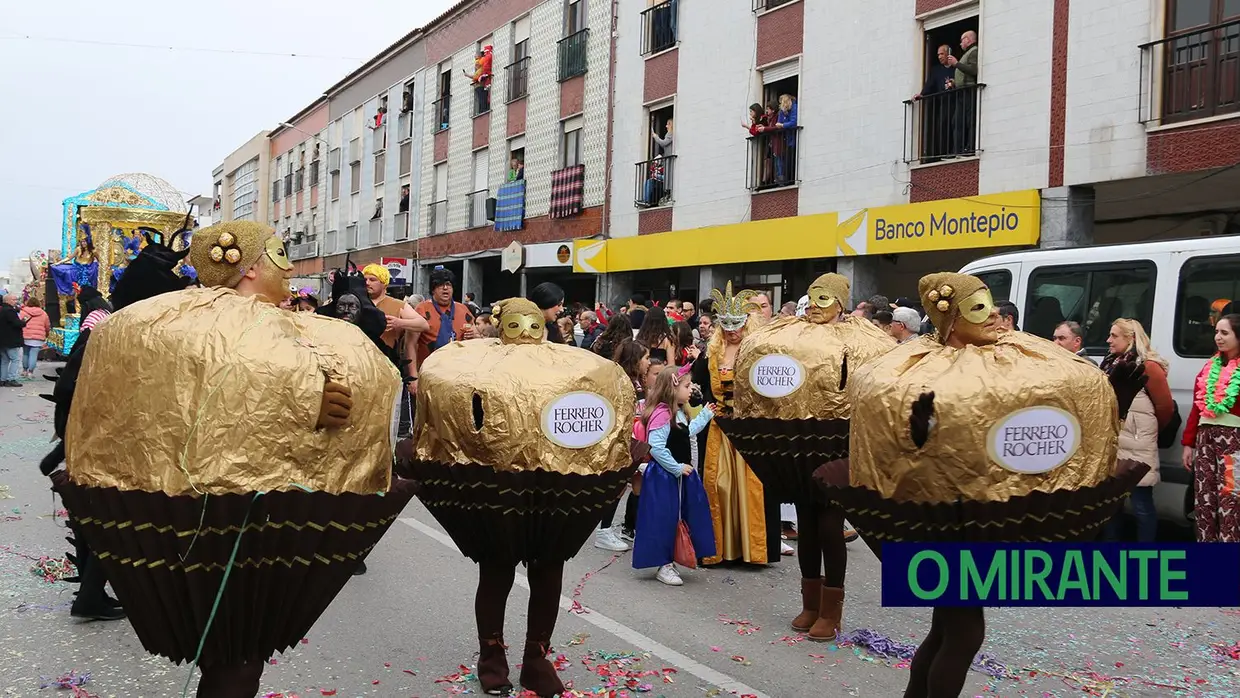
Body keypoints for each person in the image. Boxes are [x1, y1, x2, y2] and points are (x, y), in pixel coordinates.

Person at [55, 221, 416, 697]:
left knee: (235, 656)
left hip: (223, 507)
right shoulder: (198, 327)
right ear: (247, 266)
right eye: (279, 256)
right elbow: (218, 399)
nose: (288, 269)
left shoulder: (152, 321)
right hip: (226, 513)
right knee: (237, 658)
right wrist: (308, 399)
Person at [815, 272, 1148, 698]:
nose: (993, 317)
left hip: (974, 517)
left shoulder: (1007, 361)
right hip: (943, 521)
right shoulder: (920, 372)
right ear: (950, 318)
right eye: (978, 308)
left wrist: (1112, 396)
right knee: (963, 632)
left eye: (991, 305)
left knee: (947, 627)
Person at [408, 297, 643, 698]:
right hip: (498, 493)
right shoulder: (475, 368)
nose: (527, 335)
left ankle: (536, 658)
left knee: (549, 569)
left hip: (556, 491)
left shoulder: (568, 368)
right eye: (517, 326)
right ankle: (491, 658)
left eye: (533, 326)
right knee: (497, 570)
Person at [717, 274, 894, 641]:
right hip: (797, 445)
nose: (815, 304)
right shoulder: (788, 332)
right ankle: (810, 603)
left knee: (830, 525)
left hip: (842, 442)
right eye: (811, 296)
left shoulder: (863, 338)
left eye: (824, 298)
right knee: (808, 526)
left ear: (842, 302)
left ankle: (832, 609)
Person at [690, 283, 776, 566]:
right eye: (725, 324)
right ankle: (719, 548)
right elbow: (696, 384)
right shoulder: (711, 353)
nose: (731, 330)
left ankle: (751, 550)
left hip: (749, 428)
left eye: (737, 323)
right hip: (719, 427)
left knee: (750, 487)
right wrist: (697, 396)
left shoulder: (758, 351)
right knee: (718, 485)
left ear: (746, 322)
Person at [633, 365, 717, 586]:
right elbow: (657, 447)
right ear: (673, 386)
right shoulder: (662, 414)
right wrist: (676, 467)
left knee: (679, 516)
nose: (691, 390)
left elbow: (686, 433)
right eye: (687, 385)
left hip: (677, 475)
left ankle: (674, 557)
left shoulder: (679, 412)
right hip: (665, 477)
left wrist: (706, 415)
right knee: (664, 519)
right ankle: (664, 564)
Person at [1100, 319, 1173, 543]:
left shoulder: (1148, 366)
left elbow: (1165, 408)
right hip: (1114, 443)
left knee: (1141, 505)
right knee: (1112, 506)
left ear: (1130, 339)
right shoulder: (1109, 363)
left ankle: (1145, 555)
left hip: (1138, 444)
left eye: (1114, 336)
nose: (1108, 340)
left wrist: (1144, 433)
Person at [1183, 313, 1240, 542]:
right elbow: (1197, 409)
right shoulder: (1210, 366)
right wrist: (1188, 443)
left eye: (1224, 333)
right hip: (1206, 441)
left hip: (1233, 443)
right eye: (1216, 332)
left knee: (1230, 500)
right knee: (1204, 501)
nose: (1218, 337)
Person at [596, 340, 651, 552]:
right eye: (646, 358)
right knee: (617, 488)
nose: (648, 362)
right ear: (635, 360)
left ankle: (627, 527)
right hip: (620, 440)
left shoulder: (637, 382)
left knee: (635, 484)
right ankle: (604, 531)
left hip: (633, 439)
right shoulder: (621, 382)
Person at [414, 266, 476, 370]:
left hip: (458, 369)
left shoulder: (463, 309)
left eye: (448, 285)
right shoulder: (422, 309)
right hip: (429, 370)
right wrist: (413, 376)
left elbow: (476, 335)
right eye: (440, 285)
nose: (445, 288)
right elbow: (411, 344)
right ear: (433, 289)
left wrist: (474, 336)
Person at [946, 30, 980, 154]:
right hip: (962, 91)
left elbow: (973, 70)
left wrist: (956, 63)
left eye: (962, 40)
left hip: (968, 90)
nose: (960, 43)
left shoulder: (974, 51)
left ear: (968, 39)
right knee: (957, 121)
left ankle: (970, 147)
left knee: (969, 120)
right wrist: (954, 82)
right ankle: (957, 149)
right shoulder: (968, 53)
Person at [770, 95, 798, 184]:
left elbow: (794, 122)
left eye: (781, 102)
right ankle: (783, 178)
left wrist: (783, 125)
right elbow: (779, 121)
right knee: (785, 158)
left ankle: (791, 179)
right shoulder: (783, 110)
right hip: (786, 139)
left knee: (791, 158)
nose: (780, 105)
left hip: (792, 138)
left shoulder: (794, 107)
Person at [19, 297, 49, 379]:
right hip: (38, 337)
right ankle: (30, 372)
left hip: (25, 335)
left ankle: (24, 370)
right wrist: (46, 334)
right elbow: (47, 326)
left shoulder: (23, 312)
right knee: (33, 355)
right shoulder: (43, 313)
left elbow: (19, 323)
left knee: (25, 353)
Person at [0, 294, 26, 387]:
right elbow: (16, 323)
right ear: (8, 300)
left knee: (4, 360)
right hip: (11, 340)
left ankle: (2, 379)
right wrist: (23, 322)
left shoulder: (2, 310)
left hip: (2, 340)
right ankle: (11, 379)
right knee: (15, 359)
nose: (16, 301)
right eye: (14, 299)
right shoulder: (10, 311)